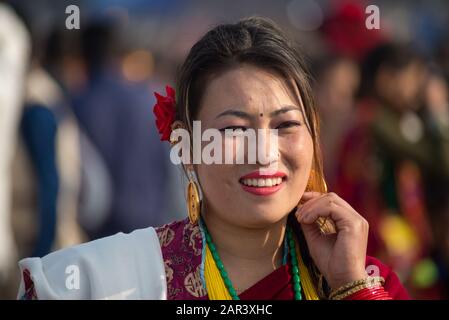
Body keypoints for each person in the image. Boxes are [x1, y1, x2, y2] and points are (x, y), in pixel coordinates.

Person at [17, 17, 409, 300]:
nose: (264, 152)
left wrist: (350, 286)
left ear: (314, 137)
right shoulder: (97, 282)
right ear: (186, 145)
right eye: (234, 130)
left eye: (286, 125)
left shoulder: (367, 281)